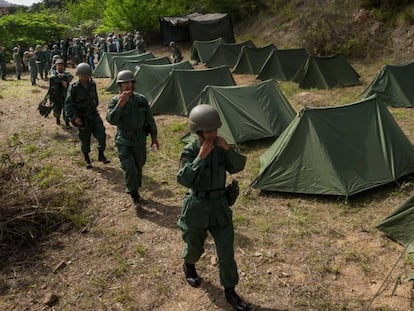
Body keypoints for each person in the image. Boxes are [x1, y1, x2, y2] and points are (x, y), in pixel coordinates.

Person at [176, 104, 249, 311]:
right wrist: (200, 158)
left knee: (226, 252)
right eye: (208, 131)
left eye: (215, 130)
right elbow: (183, 179)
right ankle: (189, 265)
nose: (213, 134)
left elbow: (238, 166)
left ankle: (230, 291)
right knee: (194, 247)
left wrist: (228, 150)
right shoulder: (190, 150)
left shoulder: (220, 147)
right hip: (197, 206)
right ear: (198, 131)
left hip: (219, 205)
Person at [106, 70, 159, 214]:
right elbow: (111, 119)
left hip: (140, 139)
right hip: (124, 140)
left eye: (129, 82)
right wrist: (120, 105)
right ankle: (134, 196)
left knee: (138, 166)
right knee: (129, 168)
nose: (127, 85)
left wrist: (154, 138)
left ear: (133, 83)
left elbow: (149, 119)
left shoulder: (141, 100)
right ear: (120, 85)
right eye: (124, 83)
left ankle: (136, 189)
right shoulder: (115, 101)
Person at [65, 63, 110, 169]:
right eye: (83, 75)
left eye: (87, 75)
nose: (85, 77)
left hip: (93, 114)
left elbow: (95, 98)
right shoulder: (74, 87)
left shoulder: (92, 84)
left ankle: (101, 155)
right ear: (78, 75)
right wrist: (75, 117)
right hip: (82, 117)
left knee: (101, 135)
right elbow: (68, 104)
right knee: (85, 139)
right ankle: (87, 158)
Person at [49, 58, 73, 128]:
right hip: (56, 95)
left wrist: (64, 77)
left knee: (66, 109)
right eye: (58, 65)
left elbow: (70, 77)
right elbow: (53, 78)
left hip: (65, 95)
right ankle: (57, 118)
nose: (60, 66)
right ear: (56, 66)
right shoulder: (54, 72)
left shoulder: (66, 73)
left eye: (61, 65)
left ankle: (67, 123)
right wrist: (61, 80)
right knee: (56, 109)